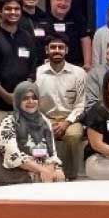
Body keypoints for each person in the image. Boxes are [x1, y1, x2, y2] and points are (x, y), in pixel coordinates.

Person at [0, 0, 42, 183]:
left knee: (21, 143)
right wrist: (5, 95)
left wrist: (22, 96)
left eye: (16, 9)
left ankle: (21, 180)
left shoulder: (27, 38)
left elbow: (33, 68)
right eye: (8, 9)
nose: (13, 12)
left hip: (21, 105)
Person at [35, 37, 87, 180]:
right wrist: (47, 122)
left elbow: (81, 103)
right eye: (53, 47)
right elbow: (34, 103)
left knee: (73, 135)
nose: (57, 50)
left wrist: (66, 122)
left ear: (66, 50)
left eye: (60, 47)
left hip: (70, 119)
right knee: (37, 133)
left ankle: (70, 175)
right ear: (47, 50)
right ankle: (43, 174)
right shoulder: (38, 73)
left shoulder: (79, 73)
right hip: (45, 118)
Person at [0, 81, 65, 183]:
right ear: (18, 100)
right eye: (25, 98)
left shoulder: (44, 121)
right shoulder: (9, 122)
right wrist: (42, 170)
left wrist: (51, 168)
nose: (31, 101)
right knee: (40, 177)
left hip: (44, 163)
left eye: (34, 98)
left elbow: (52, 152)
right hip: (21, 168)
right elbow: (12, 155)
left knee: (59, 176)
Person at [46, 0, 90, 67]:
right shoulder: (42, 19)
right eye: (59, 0)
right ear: (51, 1)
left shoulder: (78, 19)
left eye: (67, 1)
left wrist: (87, 63)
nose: (63, 3)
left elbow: (85, 40)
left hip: (74, 66)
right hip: (48, 66)